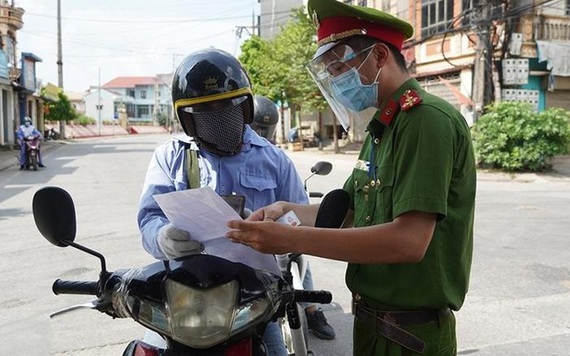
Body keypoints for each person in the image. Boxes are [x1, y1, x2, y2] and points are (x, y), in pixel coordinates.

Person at [225, 0, 477, 355]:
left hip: (411, 336)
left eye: (339, 67)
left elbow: (409, 241)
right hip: (373, 325)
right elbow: (348, 210)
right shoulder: (383, 128)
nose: (337, 80)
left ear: (378, 57)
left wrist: (290, 239)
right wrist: (285, 211)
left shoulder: (426, 122)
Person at [137, 48, 333, 355]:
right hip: (185, 299)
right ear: (187, 119)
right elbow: (149, 218)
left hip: (255, 300)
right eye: (206, 114)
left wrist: (279, 231)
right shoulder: (170, 157)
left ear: (245, 109)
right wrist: (163, 238)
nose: (218, 121)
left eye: (225, 109)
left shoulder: (275, 161)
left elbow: (300, 222)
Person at [251, 94, 336, 340]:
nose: (262, 134)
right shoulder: (208, 156)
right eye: (258, 128)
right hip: (246, 254)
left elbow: (299, 205)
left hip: (280, 238)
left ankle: (312, 310)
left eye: (266, 129)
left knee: (300, 261)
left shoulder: (277, 159)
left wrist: (291, 230)